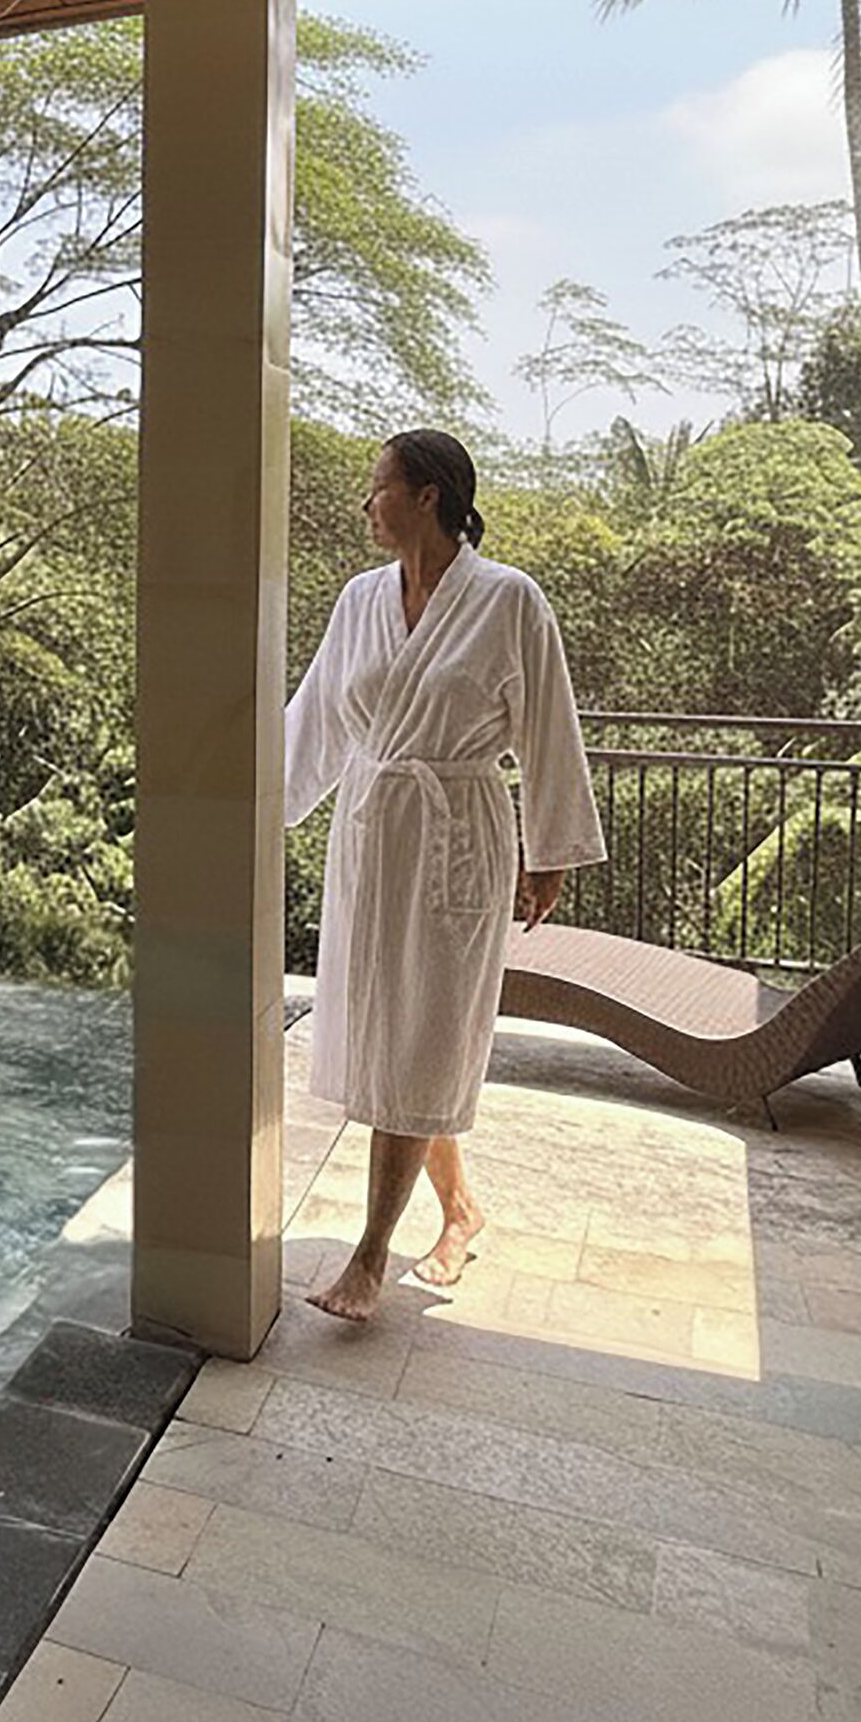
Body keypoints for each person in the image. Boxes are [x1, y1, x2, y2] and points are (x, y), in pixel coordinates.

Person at [283, 429, 604, 1323]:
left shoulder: (508, 599)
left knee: (422, 1040)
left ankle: (369, 1256)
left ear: (427, 496)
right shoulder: (360, 600)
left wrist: (549, 849)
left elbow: (548, 727)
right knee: (388, 1044)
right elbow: (315, 722)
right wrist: (249, 810)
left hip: (457, 835)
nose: (366, 505)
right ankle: (461, 1209)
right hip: (372, 837)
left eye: (378, 487)